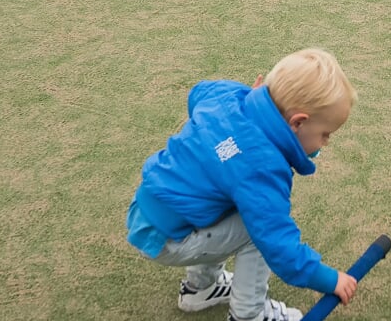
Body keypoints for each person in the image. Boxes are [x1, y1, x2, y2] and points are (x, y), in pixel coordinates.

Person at [126, 48, 358, 321]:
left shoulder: (228, 96)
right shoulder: (263, 168)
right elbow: (280, 247)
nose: (325, 143)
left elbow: (198, 93)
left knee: (235, 202)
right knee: (255, 229)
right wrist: (330, 280)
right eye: (325, 135)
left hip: (145, 209)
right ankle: (249, 314)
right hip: (169, 237)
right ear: (297, 122)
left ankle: (200, 288)